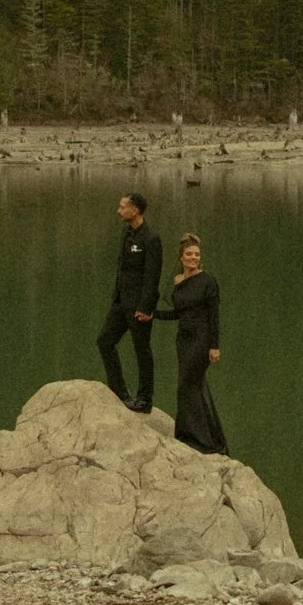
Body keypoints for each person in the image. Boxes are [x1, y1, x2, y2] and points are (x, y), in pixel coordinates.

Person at [153, 232, 227, 454]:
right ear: (181, 257)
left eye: (196, 254)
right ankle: (199, 435)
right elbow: (179, 313)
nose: (193, 258)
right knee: (194, 386)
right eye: (189, 254)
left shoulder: (207, 281)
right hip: (184, 340)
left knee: (188, 385)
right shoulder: (177, 281)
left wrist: (214, 346)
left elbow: (214, 316)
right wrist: (153, 315)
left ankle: (200, 441)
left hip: (202, 340)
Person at [98, 192, 161, 413]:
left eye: (122, 206)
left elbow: (152, 276)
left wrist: (146, 307)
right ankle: (119, 391)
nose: (119, 210)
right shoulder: (126, 233)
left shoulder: (151, 238)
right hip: (120, 301)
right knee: (105, 341)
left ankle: (145, 399)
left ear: (134, 210)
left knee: (142, 350)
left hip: (139, 306)